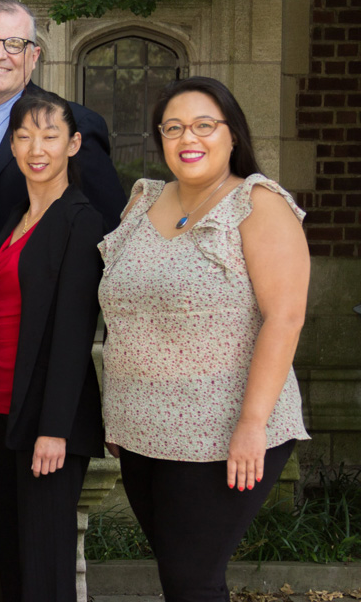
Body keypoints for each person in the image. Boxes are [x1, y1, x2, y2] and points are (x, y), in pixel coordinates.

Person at [0, 0, 125, 598]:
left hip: (27, 343)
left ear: (34, 55)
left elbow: (99, 250)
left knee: (37, 539)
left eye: (14, 44)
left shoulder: (74, 128)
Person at [98, 76, 310, 601]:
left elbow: (284, 318)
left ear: (231, 134)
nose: (187, 138)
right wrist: (119, 414)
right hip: (142, 428)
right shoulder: (143, 200)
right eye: (173, 128)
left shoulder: (258, 205)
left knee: (193, 580)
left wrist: (251, 425)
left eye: (202, 125)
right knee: (178, 576)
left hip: (222, 430)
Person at [0, 90, 105, 601]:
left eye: (49, 135)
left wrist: (54, 431)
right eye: (23, 136)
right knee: (16, 565)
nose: (35, 147)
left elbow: (73, 334)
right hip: (4, 416)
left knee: (45, 571)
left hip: (49, 425)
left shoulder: (80, 220)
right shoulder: (16, 217)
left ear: (74, 144)